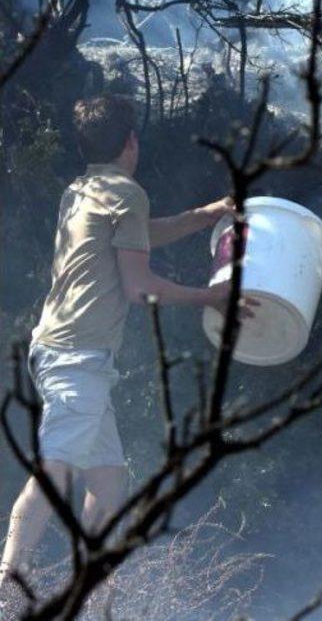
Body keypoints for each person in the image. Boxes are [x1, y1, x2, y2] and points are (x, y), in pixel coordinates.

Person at [0, 95, 257, 607]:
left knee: (110, 483)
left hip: (61, 349)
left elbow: (139, 237)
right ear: (132, 143)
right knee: (56, 469)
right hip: (78, 356)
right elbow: (140, 289)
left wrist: (205, 215)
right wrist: (211, 296)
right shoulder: (126, 193)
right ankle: (7, 581)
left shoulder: (83, 189)